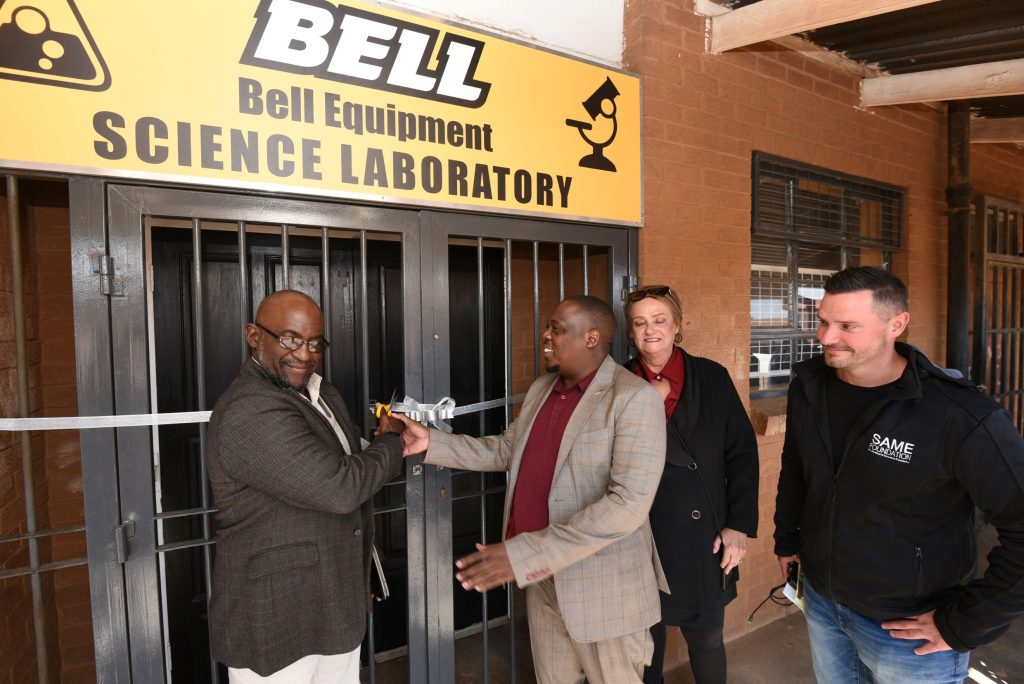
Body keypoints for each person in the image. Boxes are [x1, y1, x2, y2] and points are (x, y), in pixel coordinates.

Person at [396, 295, 668, 683]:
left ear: (591, 338)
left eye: (557, 329)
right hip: (544, 584)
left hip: (605, 589)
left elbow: (627, 505)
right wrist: (432, 443)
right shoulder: (543, 388)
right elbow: (508, 449)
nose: (545, 336)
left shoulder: (634, 399)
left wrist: (523, 554)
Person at [774, 266, 1024, 684]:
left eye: (847, 326)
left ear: (897, 325)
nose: (825, 337)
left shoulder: (957, 415)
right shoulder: (809, 386)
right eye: (822, 321)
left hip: (909, 631)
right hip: (822, 603)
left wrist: (965, 624)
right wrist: (788, 539)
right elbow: (797, 467)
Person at [206, 290, 404, 682]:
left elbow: (337, 459)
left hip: (333, 603)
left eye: (315, 343)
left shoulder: (321, 392)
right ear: (253, 336)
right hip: (276, 618)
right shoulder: (250, 408)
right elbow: (340, 487)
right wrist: (392, 443)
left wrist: (378, 444)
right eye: (291, 339)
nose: (305, 353)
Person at [624, 285, 759, 684]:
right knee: (643, 646)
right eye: (640, 322)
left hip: (705, 534)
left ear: (677, 325)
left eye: (660, 320)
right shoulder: (616, 382)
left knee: (707, 640)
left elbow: (742, 454)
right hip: (638, 535)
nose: (651, 330)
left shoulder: (712, 377)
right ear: (631, 332)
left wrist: (738, 526)